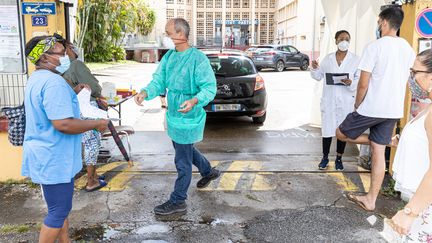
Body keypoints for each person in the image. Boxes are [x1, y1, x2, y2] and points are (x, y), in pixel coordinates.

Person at [22, 36, 108, 243]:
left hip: (48, 156)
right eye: (61, 53)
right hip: (54, 158)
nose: (66, 56)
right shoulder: (52, 83)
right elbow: (64, 124)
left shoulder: (38, 78)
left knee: (60, 209)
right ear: (44, 57)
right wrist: (97, 124)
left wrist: (73, 93)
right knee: (58, 212)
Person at [134, 18, 220, 215]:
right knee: (185, 148)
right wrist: (146, 92)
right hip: (174, 113)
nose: (166, 36)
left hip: (189, 114)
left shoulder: (198, 59)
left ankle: (178, 200)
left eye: (168, 32)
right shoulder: (170, 57)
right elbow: (159, 80)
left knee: (182, 159)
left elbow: (209, 88)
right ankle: (209, 172)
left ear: (180, 35)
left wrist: (194, 101)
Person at [336, 7, 416, 211]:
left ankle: (384, 140)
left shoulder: (374, 47)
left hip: (371, 107)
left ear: (384, 22)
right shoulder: (408, 48)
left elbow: (363, 83)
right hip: (393, 109)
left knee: (341, 133)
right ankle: (370, 200)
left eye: (379, 22)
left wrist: (357, 104)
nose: (378, 25)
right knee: (378, 151)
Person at [388, 49, 432, 240]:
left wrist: (409, 213)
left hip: (425, 208)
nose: (411, 78)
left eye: (415, 72)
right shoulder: (429, 106)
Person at [59, 37, 108, 192]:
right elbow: (93, 87)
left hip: (72, 110)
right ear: (66, 49)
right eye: (70, 46)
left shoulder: (56, 72)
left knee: (87, 143)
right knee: (92, 144)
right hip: (86, 109)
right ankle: (91, 181)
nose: (74, 49)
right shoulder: (76, 65)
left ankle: (93, 175)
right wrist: (98, 93)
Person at [311, 30, 360, 171]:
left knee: (342, 131)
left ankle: (339, 158)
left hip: (345, 101)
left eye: (347, 39)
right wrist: (315, 68)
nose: (344, 41)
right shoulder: (328, 59)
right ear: (336, 41)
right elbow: (318, 76)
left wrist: (351, 82)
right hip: (329, 100)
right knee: (327, 130)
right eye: (341, 38)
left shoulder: (356, 59)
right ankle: (325, 158)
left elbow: (359, 78)